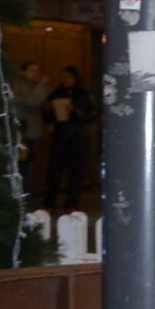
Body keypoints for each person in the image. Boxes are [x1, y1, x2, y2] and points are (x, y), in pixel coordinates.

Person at [43, 65, 96, 212]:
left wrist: (75, 111)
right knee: (54, 172)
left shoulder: (84, 95)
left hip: (77, 137)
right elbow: (46, 117)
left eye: (69, 77)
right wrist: (48, 111)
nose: (66, 80)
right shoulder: (56, 94)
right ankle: (49, 203)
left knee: (75, 173)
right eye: (64, 77)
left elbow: (90, 116)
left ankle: (71, 204)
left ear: (76, 78)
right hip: (59, 137)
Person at [11, 61, 49, 192]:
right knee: (21, 167)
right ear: (22, 72)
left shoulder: (40, 87)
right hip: (21, 132)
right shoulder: (17, 86)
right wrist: (41, 87)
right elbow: (33, 103)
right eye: (32, 70)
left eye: (37, 70)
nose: (36, 73)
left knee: (29, 167)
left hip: (34, 132)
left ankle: (27, 198)